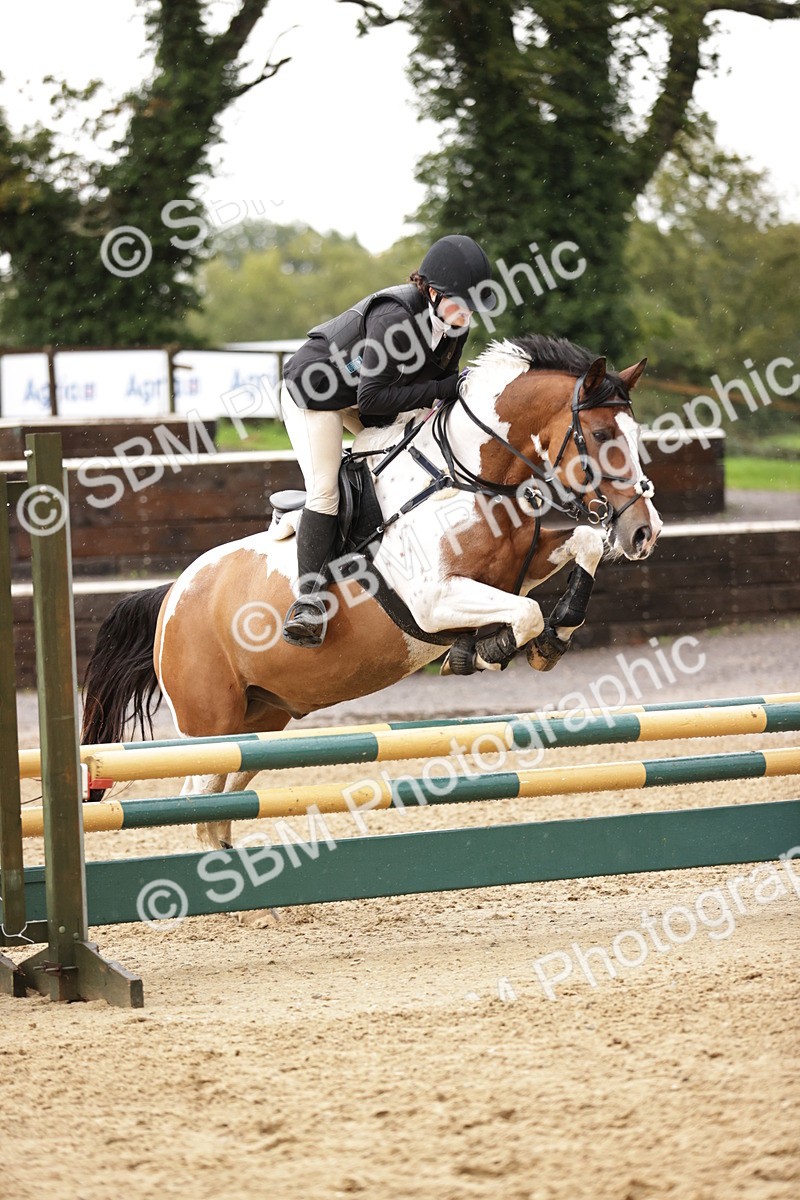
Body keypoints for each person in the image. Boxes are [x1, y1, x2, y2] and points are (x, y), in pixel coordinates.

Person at [280, 233, 496, 648]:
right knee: (325, 490)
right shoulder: (395, 317)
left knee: (410, 464)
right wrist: (445, 389)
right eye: (459, 303)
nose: (466, 314)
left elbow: (429, 387)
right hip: (316, 395)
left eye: (472, 306)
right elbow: (373, 397)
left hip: (366, 398)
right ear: (431, 292)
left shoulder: (453, 326)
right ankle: (307, 599)